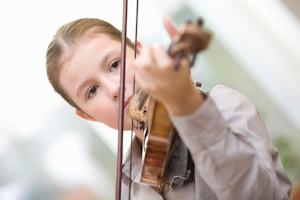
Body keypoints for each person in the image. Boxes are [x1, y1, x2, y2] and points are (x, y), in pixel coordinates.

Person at [46, 18, 292, 199]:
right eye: (91, 91)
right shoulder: (130, 188)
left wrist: (188, 105)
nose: (114, 87)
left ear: (140, 52)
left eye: (115, 64)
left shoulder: (223, 105)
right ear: (87, 116)